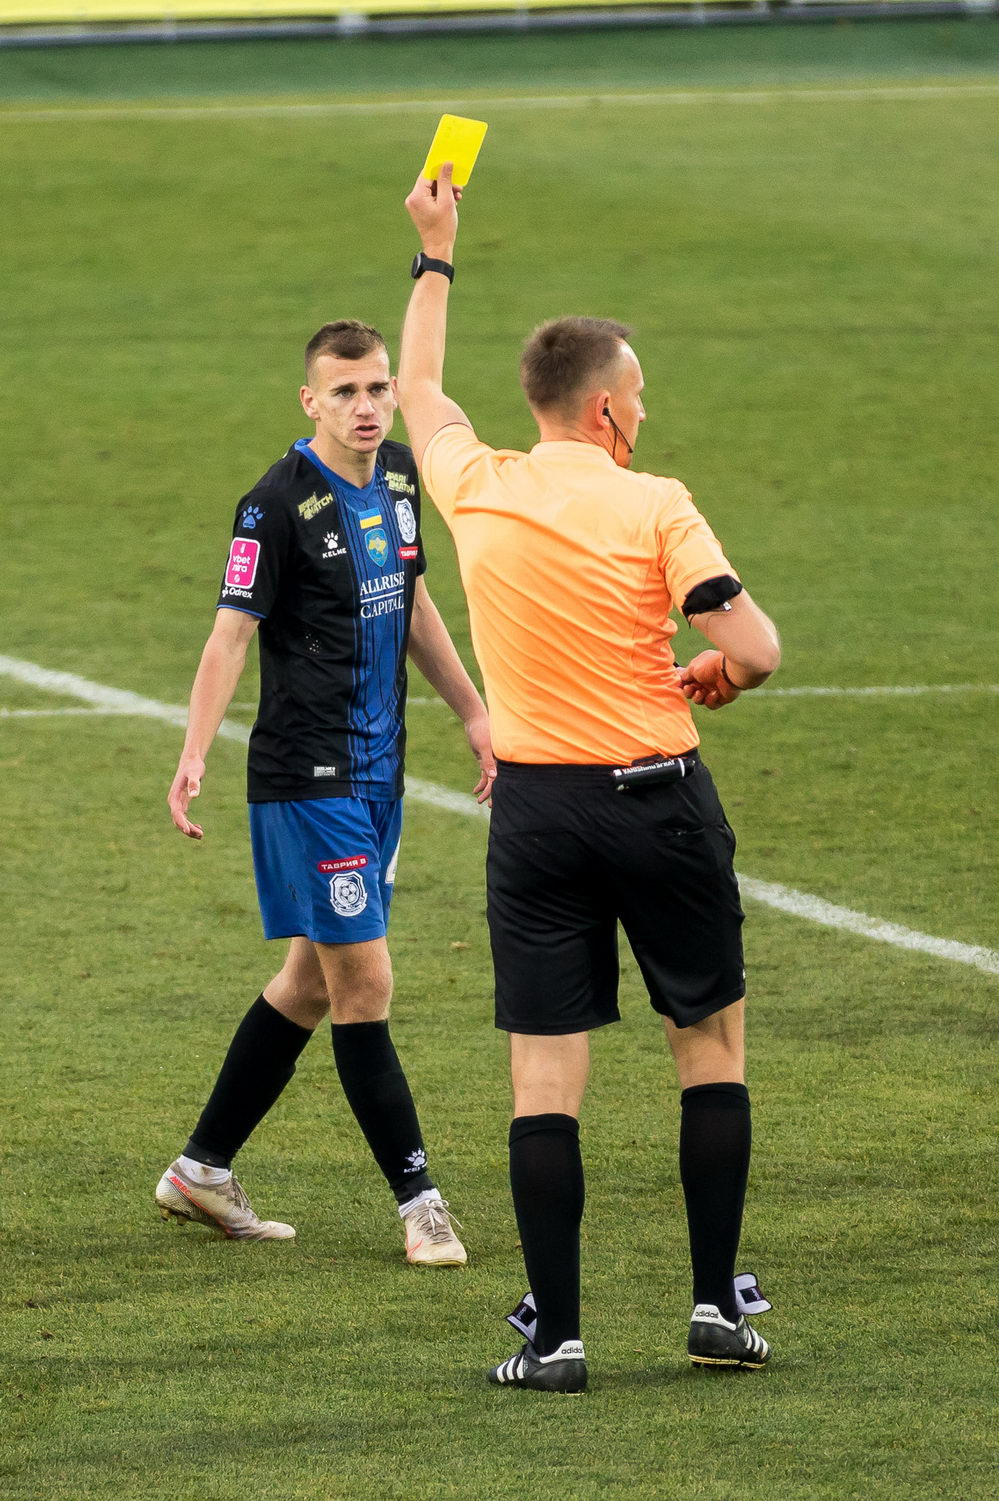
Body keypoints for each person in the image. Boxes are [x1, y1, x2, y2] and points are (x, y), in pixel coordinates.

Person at [397, 167, 781, 1387]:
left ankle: (556, 1334)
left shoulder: (479, 485)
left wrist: (435, 250)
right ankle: (714, 1305)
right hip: (659, 800)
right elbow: (755, 646)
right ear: (608, 408)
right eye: (642, 398)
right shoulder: (656, 503)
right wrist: (716, 675)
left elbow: (417, 388)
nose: (646, 415)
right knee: (708, 1047)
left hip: (539, 815)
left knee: (543, 1080)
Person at [156, 318, 494, 1266]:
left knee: (309, 981)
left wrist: (474, 711)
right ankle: (421, 1204)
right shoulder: (274, 503)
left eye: (378, 388)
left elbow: (413, 602)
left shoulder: (399, 480)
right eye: (344, 392)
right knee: (365, 983)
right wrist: (194, 751)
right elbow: (230, 634)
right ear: (311, 400)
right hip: (308, 780)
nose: (366, 406)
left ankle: (200, 1170)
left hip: (379, 775)